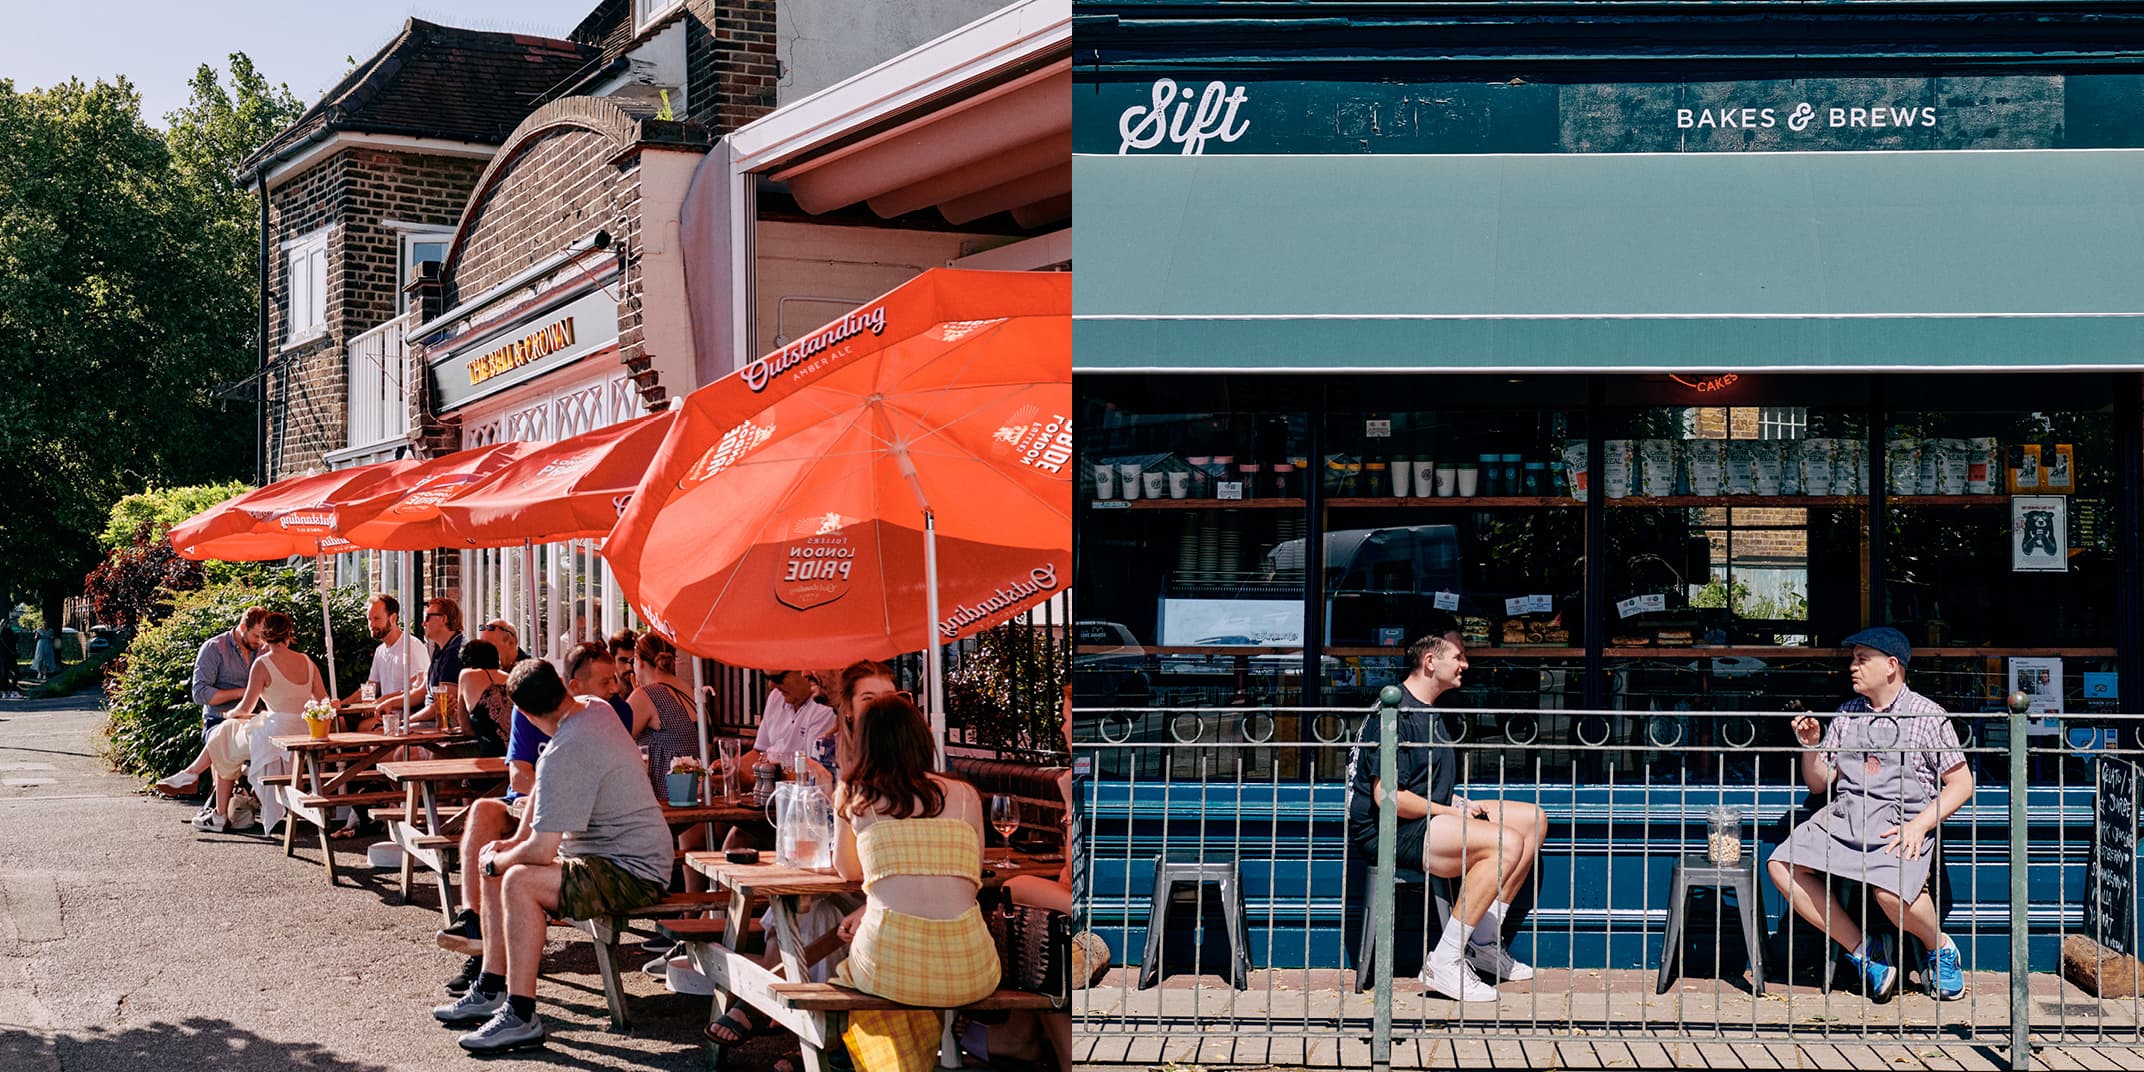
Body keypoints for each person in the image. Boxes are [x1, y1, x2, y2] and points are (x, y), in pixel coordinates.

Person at [430, 658, 672, 1054]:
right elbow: (541, 787)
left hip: (632, 870)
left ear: (522, 714)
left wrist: (504, 859)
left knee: (518, 879)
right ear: (563, 685)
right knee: (498, 863)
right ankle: (492, 986)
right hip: (614, 860)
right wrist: (506, 848)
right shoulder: (596, 707)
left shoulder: (566, 747)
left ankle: (521, 1014)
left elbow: (542, 850)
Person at [1344, 613, 1546, 1002]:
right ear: (1430, 661)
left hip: (1427, 816)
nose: (1465, 664)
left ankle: (1482, 945)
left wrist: (1453, 804)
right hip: (1393, 831)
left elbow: (1422, 786)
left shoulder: (1431, 710)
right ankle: (1446, 960)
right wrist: (1452, 812)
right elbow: (1390, 798)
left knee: (1532, 821)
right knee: (1505, 844)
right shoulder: (1396, 711)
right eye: (1459, 655)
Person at [1767, 626, 1973, 1001]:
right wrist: (1810, 746)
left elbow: (1962, 785)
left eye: (1862, 659)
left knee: (1889, 896)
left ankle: (1939, 946)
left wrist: (1919, 825)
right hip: (1845, 817)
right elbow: (1819, 784)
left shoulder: (1928, 716)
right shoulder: (1847, 714)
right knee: (1782, 864)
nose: (1853, 667)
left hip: (1898, 824)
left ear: (1891, 666)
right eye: (1853, 659)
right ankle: (1866, 952)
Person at [432, 640, 637, 989]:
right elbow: (520, 772)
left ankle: (496, 976)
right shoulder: (537, 708)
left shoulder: (611, 712)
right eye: (605, 682)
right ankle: (473, 924)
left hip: (578, 824)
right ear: (574, 686)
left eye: (615, 680)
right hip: (528, 803)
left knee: (507, 867)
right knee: (483, 813)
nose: (615, 688)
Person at [824, 693, 998, 1072]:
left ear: (865, 742)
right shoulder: (966, 795)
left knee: (864, 963)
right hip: (971, 967)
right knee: (902, 959)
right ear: (922, 739)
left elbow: (847, 870)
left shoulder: (855, 795)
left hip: (890, 968)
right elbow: (972, 871)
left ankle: (886, 1061)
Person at [191, 611, 326, 833]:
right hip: (304, 730)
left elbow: (246, 707)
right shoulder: (307, 661)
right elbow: (323, 700)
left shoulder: (263, 663)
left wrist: (230, 714)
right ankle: (204, 788)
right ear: (290, 634)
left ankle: (214, 805)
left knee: (225, 735)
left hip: (275, 733)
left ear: (264, 637)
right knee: (228, 735)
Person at [153, 607, 268, 800]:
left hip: (255, 719)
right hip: (218, 719)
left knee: (232, 740)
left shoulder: (264, 649)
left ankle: (197, 782)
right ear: (242, 627)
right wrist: (247, 692)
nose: (259, 642)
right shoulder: (214, 648)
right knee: (226, 739)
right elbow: (200, 694)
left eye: (263, 637)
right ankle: (220, 807)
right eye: (256, 636)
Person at [344, 594, 427, 727]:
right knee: (338, 723)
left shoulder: (411, 646)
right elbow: (370, 690)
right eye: (369, 619)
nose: (371, 624)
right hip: (382, 713)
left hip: (404, 719)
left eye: (376, 619)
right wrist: (341, 705)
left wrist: (384, 700)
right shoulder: (380, 651)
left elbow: (417, 690)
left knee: (363, 728)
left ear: (393, 618)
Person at [741, 669, 839, 778]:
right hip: (769, 783)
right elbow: (758, 752)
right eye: (766, 678)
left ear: (803, 671)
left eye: (777, 679)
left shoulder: (823, 705)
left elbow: (814, 772)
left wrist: (752, 782)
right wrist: (730, 769)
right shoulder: (776, 697)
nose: (771, 685)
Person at [403, 598, 466, 732]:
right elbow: (421, 692)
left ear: (444, 619)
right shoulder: (441, 648)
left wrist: (405, 722)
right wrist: (387, 703)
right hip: (431, 721)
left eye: (427, 617)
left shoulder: (455, 653)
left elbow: (441, 706)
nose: (423, 623)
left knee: (395, 747)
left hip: (444, 725)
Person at [457, 639, 513, 757]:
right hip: (519, 751)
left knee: (441, 754)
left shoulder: (467, 675)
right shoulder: (509, 677)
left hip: (492, 752)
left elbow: (465, 727)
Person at [609, 628, 639, 696]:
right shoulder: (605, 696)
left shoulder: (651, 696)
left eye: (633, 660)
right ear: (613, 661)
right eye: (623, 660)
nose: (629, 668)